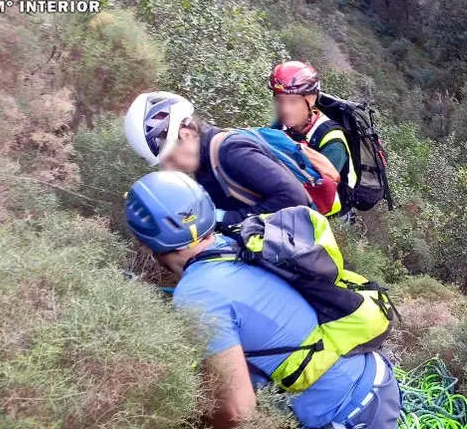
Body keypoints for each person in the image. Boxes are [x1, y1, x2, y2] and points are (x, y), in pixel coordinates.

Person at [124, 171, 402, 429]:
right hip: (374, 377)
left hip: (347, 413)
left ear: (148, 244)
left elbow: (237, 412)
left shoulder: (197, 294)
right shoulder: (241, 240)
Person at [124, 91, 312, 227]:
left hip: (302, 258)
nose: (169, 169)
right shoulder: (204, 165)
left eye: (170, 159)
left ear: (187, 133)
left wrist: (223, 218)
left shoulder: (232, 152)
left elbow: (294, 198)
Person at [269, 62, 357, 213]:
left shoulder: (332, 141)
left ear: (311, 99)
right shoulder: (282, 124)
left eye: (293, 101)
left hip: (327, 212)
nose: (285, 109)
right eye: (280, 100)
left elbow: (321, 190)